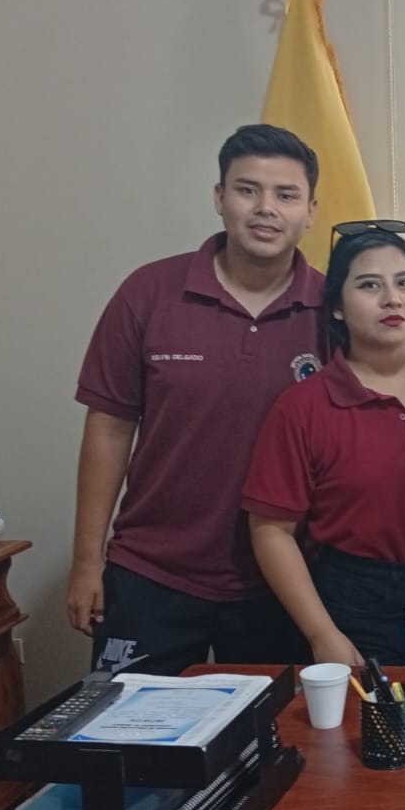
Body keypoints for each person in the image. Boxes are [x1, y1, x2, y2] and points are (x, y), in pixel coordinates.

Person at [68, 124, 325, 675]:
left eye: (286, 195)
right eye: (247, 190)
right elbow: (109, 427)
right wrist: (87, 562)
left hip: (284, 580)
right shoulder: (148, 292)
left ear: (310, 211)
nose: (266, 208)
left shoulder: (336, 310)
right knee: (129, 726)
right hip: (153, 572)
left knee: (277, 730)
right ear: (219, 197)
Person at [243, 223, 405, 668]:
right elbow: (271, 531)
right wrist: (322, 634)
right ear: (337, 307)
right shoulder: (302, 407)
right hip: (357, 599)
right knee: (367, 715)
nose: (392, 299)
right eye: (369, 285)